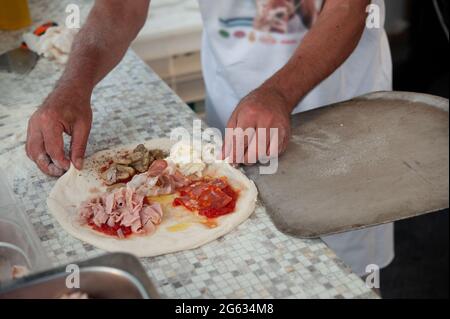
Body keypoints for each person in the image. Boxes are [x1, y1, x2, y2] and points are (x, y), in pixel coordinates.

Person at [26, 0, 394, 277]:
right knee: (254, 261)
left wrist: (280, 92)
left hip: (336, 102)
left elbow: (347, 7)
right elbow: (122, 5)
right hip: (234, 96)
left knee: (339, 272)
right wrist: (73, 86)